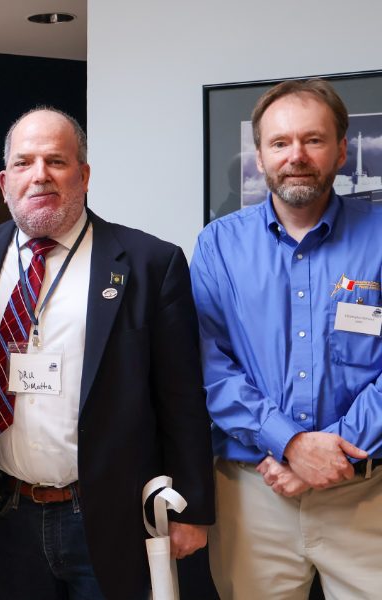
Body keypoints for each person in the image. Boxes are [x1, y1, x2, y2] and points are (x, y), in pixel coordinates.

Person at [0, 107, 214, 599]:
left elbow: (182, 396)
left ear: (84, 175)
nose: (40, 175)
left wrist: (192, 507)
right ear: (5, 182)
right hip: (2, 516)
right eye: (24, 162)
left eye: (56, 161)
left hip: (108, 515)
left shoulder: (149, 263)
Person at [191, 79, 382, 599]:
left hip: (366, 494)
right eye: (280, 142)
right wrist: (292, 445)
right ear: (259, 155)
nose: (296, 155)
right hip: (254, 494)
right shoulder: (218, 246)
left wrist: (333, 457)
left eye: (313, 140)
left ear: (341, 150)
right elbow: (210, 366)